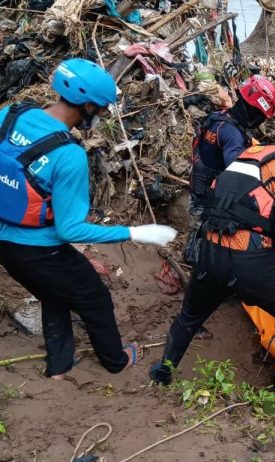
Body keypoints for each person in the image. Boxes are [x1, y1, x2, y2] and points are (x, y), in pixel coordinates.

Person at [150, 104, 275, 401]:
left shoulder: (249, 152)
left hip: (210, 250)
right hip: (250, 261)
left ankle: (163, 372)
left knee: (189, 317)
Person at [0, 58, 177, 380]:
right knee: (95, 299)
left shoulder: (9, 116)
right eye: (102, 109)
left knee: (52, 294)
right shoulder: (69, 155)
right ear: (86, 105)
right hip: (41, 249)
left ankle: (60, 365)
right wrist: (135, 232)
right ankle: (116, 360)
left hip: (5, 243)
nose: (104, 114)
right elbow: (69, 229)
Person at [185, 75, 275, 265]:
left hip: (199, 188)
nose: (260, 122)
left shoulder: (219, 118)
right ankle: (198, 273)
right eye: (261, 117)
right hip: (209, 199)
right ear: (254, 111)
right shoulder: (231, 134)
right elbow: (237, 168)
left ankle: (194, 261)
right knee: (206, 244)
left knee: (197, 235)